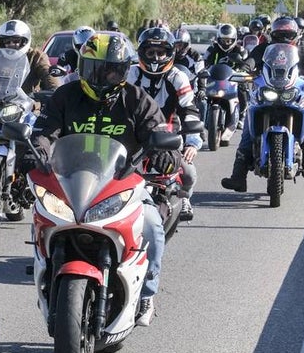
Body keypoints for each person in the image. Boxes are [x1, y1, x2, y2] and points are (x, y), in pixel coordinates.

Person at [24, 32, 180, 326]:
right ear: (82, 65)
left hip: (122, 183)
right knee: (40, 215)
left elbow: (161, 133)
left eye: (110, 69)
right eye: (95, 67)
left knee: (152, 224)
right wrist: (36, 151)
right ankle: (45, 266)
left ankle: (147, 293)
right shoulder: (65, 96)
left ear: (123, 71)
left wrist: (164, 153)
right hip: (71, 182)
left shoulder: (137, 100)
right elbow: (44, 132)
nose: (101, 75)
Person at [221, 37, 304, 191]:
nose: (284, 36)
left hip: (293, 91)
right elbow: (251, 61)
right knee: (248, 130)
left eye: (287, 33)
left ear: (295, 34)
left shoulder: (301, 48)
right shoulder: (264, 48)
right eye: (280, 33)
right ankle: (238, 176)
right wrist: (244, 69)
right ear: (274, 33)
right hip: (267, 91)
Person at [129, 27, 202, 221]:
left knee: (188, 173)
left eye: (161, 53)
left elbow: (190, 109)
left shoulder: (177, 77)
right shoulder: (131, 74)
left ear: (170, 54)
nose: (155, 58)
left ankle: (184, 197)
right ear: (142, 53)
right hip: (133, 136)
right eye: (151, 52)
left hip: (168, 136)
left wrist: (193, 142)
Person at [0, 19, 56, 95]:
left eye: (16, 41)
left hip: (28, 102)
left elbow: (47, 73)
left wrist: (54, 89)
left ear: (24, 41)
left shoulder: (36, 56)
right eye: (7, 41)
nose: (11, 44)